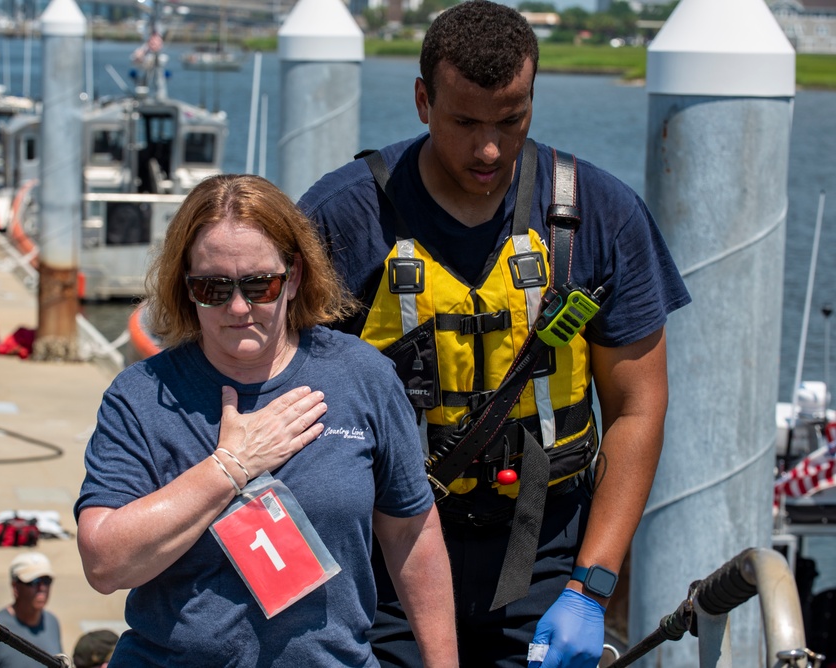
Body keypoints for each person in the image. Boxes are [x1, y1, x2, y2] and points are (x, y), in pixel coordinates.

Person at [297, 2, 692, 667]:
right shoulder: (344, 219)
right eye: (464, 122)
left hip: (547, 552)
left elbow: (637, 406)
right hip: (384, 550)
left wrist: (591, 588)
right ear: (423, 101)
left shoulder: (600, 216)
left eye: (511, 121)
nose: (488, 149)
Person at [75, 174, 457, 667]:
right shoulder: (142, 396)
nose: (238, 307)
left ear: (293, 276)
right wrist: (231, 466)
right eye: (213, 287)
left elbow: (412, 534)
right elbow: (104, 563)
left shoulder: (363, 378)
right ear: (186, 287)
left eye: (260, 284)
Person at [0, 551, 63, 667]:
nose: (42, 588)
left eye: (47, 581)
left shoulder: (52, 623)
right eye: (34, 582)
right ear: (15, 587)